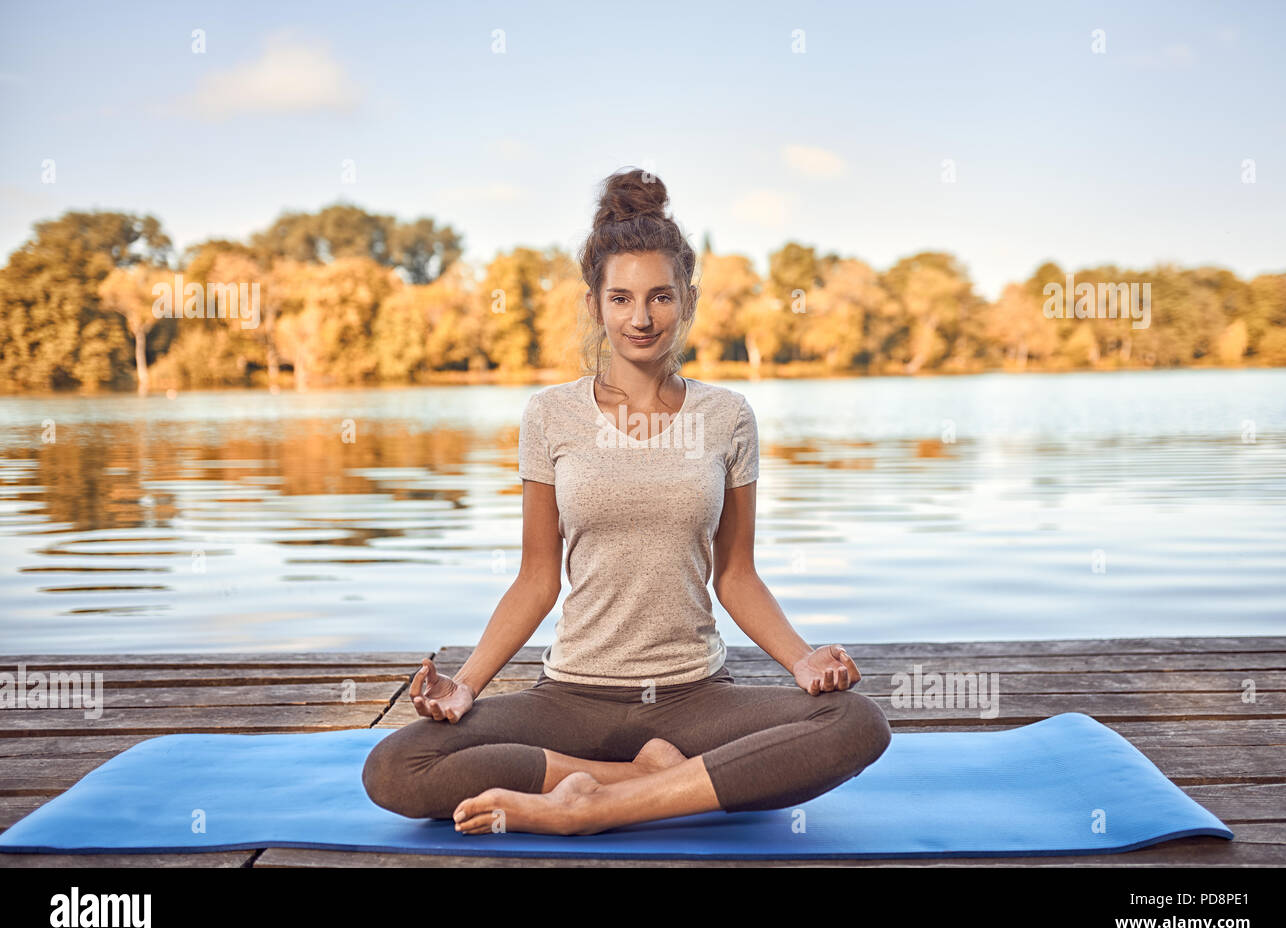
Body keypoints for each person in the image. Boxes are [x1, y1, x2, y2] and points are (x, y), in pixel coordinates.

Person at [362, 167, 891, 836]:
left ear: (687, 300)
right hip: (571, 699)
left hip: (695, 700)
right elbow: (535, 576)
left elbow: (736, 575)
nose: (641, 318)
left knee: (855, 723)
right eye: (621, 298)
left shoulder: (728, 416)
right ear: (595, 305)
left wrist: (803, 659)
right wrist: (465, 684)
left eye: (661, 297)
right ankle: (656, 782)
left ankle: (595, 803)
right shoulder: (550, 415)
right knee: (397, 764)